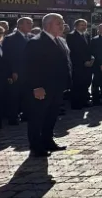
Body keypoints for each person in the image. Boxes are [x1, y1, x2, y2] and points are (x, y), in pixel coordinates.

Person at [21, 13, 71, 158]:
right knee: (37, 117)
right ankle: (36, 146)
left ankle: (48, 141)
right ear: (48, 25)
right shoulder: (36, 42)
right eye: (58, 23)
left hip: (57, 86)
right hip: (42, 87)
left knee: (51, 116)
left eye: (62, 23)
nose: (62, 26)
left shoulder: (60, 41)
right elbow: (30, 66)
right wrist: (36, 86)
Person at [3, 17, 34, 124]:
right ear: (20, 25)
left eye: (31, 23)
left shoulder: (32, 37)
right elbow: (8, 57)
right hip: (17, 72)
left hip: (30, 71)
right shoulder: (10, 39)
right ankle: (13, 117)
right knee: (15, 95)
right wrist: (12, 71)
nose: (31, 25)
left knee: (28, 94)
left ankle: (26, 114)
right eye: (28, 23)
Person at [65, 19, 94, 110]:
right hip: (78, 65)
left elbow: (89, 49)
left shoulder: (87, 35)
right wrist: (83, 61)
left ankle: (84, 100)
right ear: (76, 26)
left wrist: (91, 59)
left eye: (85, 25)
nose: (84, 27)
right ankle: (76, 104)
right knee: (77, 85)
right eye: (82, 25)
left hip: (88, 65)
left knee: (86, 84)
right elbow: (73, 52)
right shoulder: (70, 36)